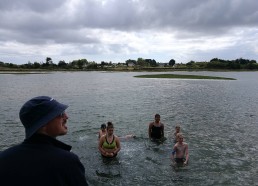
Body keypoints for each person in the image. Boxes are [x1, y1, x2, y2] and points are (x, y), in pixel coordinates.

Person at [0, 96, 88, 186]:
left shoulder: (3, 158)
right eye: (61, 113)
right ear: (44, 124)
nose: (66, 117)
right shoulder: (67, 162)